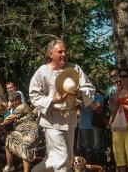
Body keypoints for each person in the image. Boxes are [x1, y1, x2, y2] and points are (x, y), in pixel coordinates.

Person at [29, 39, 95, 171]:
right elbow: (33, 95)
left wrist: (79, 93)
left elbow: (89, 87)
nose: (64, 54)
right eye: (60, 51)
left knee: (66, 158)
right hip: (51, 120)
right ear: (50, 54)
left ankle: (36, 171)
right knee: (61, 158)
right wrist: (52, 100)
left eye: (65, 51)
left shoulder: (74, 69)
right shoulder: (42, 71)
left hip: (69, 119)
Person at [1, 92, 42, 172]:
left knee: (25, 146)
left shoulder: (22, 106)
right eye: (12, 101)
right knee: (9, 138)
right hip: (22, 131)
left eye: (13, 101)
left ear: (16, 100)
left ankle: (25, 170)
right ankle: (10, 165)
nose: (13, 102)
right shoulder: (18, 108)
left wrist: (0, 123)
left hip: (30, 131)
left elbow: (10, 118)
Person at [76, 88, 105, 165]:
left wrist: (85, 98)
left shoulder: (99, 97)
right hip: (82, 127)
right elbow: (77, 109)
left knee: (95, 151)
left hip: (94, 128)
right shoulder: (81, 98)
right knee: (82, 151)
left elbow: (95, 107)